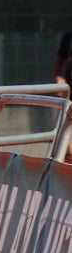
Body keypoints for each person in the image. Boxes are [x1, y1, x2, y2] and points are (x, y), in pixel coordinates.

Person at [54, 31, 72, 161]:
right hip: (70, 93)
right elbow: (59, 63)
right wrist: (59, 78)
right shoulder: (68, 37)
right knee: (67, 143)